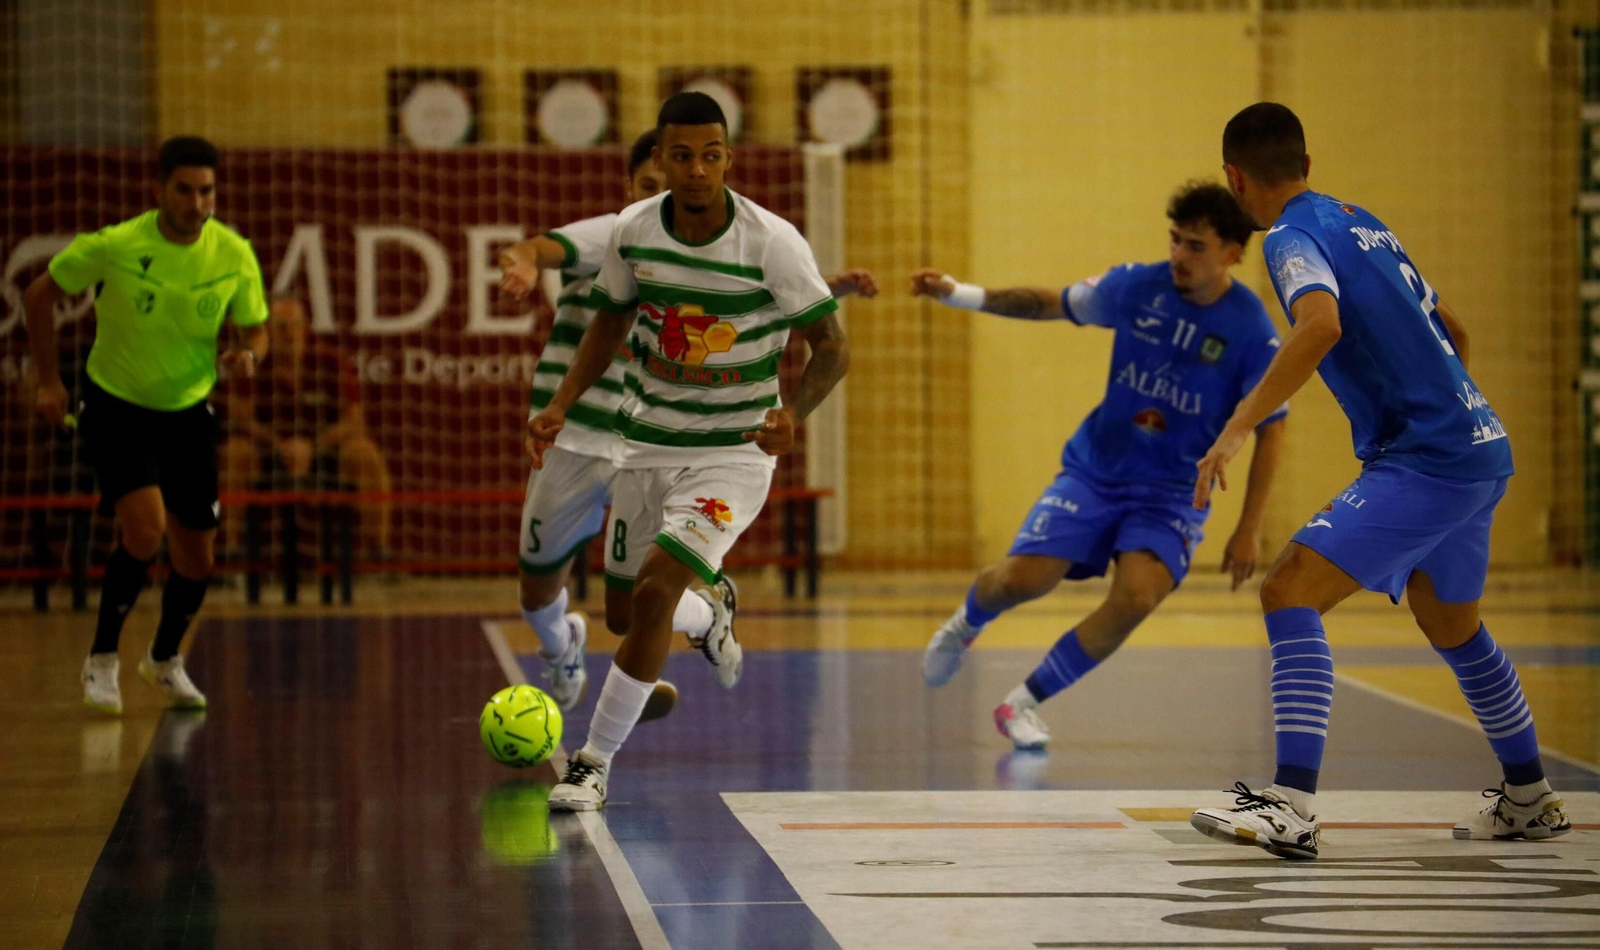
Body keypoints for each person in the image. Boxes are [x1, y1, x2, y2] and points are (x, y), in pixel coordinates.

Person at [1188, 102, 1569, 860]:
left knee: (1288, 588)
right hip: (1480, 446)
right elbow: (1452, 330)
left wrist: (1236, 428)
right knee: (1451, 623)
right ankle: (1529, 797)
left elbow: (1320, 325)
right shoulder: (1363, 221)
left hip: (1430, 458)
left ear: (1236, 178)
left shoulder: (1293, 237)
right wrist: (1445, 408)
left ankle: (1291, 805)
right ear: (1307, 161)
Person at [526, 92, 850, 811]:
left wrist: (793, 414)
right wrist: (559, 404)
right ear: (661, 160)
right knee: (623, 613)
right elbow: (609, 319)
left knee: (651, 593)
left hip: (732, 454)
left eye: (712, 155)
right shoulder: (635, 230)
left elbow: (832, 345)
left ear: (728, 159)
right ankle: (710, 616)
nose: (698, 169)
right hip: (645, 443)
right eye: (683, 155)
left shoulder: (772, 241)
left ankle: (592, 763)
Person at [916, 181, 1288, 748]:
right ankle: (963, 627)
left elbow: (1273, 428)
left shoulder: (1252, 331)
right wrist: (961, 294)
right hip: (1098, 470)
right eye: (1174, 241)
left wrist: (1248, 529)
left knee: (1138, 595)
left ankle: (1022, 704)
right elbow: (1053, 303)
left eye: (1195, 246)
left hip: (1170, 491)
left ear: (1233, 253)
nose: (1178, 257)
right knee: (1024, 578)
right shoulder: (1137, 285)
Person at [24, 135, 269, 714]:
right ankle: (101, 660)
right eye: (184, 189)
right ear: (159, 189)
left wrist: (250, 354)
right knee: (143, 530)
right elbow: (39, 296)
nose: (196, 202)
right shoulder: (115, 245)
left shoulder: (234, 253)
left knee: (198, 559)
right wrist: (49, 381)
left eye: (206, 190)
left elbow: (255, 327)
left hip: (187, 413)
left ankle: (162, 660)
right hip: (116, 406)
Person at [219, 292, 394, 561]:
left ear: (306, 328)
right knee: (235, 452)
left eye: (294, 325)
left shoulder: (330, 362)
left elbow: (354, 420)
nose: (289, 333)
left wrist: (312, 447)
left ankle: (378, 552)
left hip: (325, 452)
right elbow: (241, 418)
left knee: (364, 453)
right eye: (280, 327)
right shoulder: (253, 362)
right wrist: (282, 446)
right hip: (270, 452)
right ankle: (231, 553)